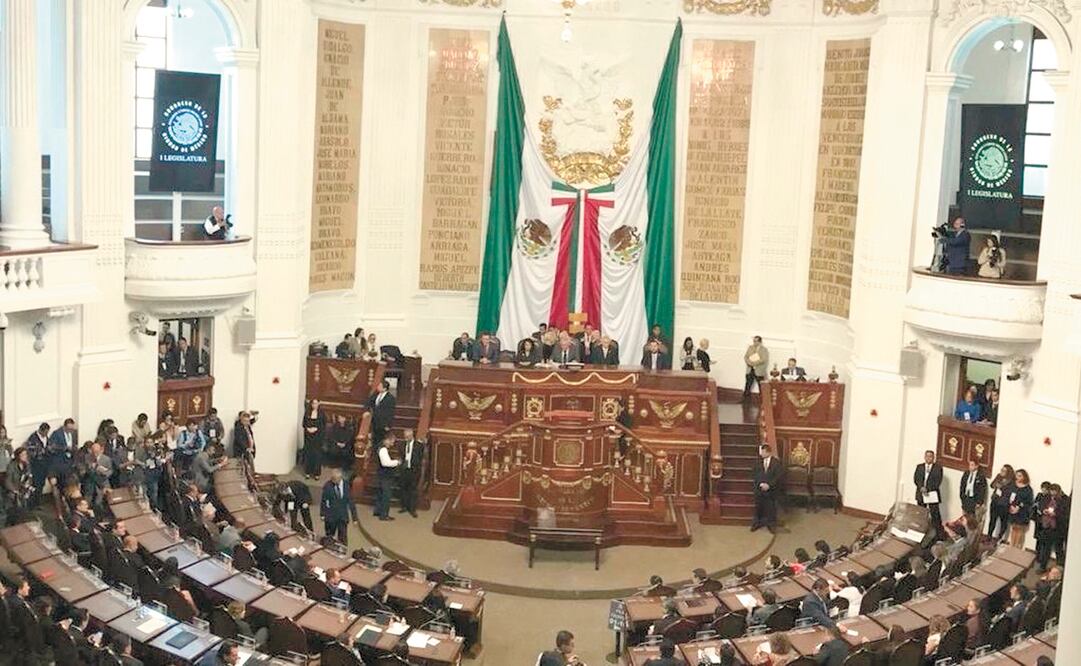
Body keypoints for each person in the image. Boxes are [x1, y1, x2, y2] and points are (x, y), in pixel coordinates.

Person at [322, 467, 360, 541]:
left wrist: (354, 518)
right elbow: (324, 501)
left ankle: (342, 551)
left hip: (342, 517)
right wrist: (322, 514)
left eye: (334, 479)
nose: (332, 480)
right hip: (331, 516)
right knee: (329, 537)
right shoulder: (327, 486)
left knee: (343, 538)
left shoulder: (346, 486)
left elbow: (351, 503)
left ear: (340, 478)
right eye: (332, 478)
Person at [751, 444, 782, 532]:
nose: (761, 454)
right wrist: (760, 484)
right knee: (758, 508)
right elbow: (754, 474)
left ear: (768, 452)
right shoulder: (758, 462)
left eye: (763, 452)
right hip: (759, 489)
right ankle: (757, 523)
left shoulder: (776, 463)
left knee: (771, 508)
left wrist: (769, 485)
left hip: (771, 490)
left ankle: (771, 525)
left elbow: (778, 476)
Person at [914, 450, 944, 537]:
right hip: (921, 494)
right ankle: (920, 532)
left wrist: (928, 489)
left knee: (935, 514)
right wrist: (921, 488)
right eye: (927, 456)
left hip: (932, 495)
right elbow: (916, 479)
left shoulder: (938, 468)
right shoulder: (919, 467)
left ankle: (938, 534)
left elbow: (938, 481)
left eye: (930, 456)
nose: (928, 458)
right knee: (921, 513)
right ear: (924, 457)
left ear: (933, 458)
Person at [397, 428, 424, 517]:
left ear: (412, 436)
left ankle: (412, 509)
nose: (405, 438)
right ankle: (404, 506)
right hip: (404, 469)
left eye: (407, 437)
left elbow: (420, 458)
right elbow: (400, 455)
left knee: (413, 490)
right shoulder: (401, 444)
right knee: (403, 488)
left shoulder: (419, 445)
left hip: (414, 470)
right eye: (405, 436)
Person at [373, 437, 400, 521]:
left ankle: (378, 510)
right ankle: (384, 515)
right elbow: (386, 463)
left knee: (380, 493)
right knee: (386, 495)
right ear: (386, 440)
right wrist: (397, 462)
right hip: (385, 476)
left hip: (381, 475)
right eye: (392, 441)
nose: (393, 443)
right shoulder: (383, 450)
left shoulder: (380, 448)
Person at [366, 380, 396, 455]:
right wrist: (367, 411)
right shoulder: (376, 394)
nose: (377, 387)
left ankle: (381, 455)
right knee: (375, 440)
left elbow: (390, 413)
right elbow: (369, 402)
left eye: (379, 386)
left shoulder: (390, 398)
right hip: (375, 422)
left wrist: (388, 425)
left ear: (385, 388)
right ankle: (375, 454)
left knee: (381, 441)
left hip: (383, 424)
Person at [988, 464, 1016, 541]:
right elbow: (992, 485)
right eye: (1001, 470)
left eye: (1004, 471)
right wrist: (996, 484)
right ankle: (989, 536)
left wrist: (1002, 487)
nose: (1001, 472)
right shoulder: (998, 476)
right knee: (992, 520)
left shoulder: (1012, 481)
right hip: (995, 501)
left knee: (1003, 522)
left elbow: (1011, 493)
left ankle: (999, 538)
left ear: (1008, 472)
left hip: (1004, 504)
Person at [1008, 469, 1034, 547]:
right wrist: (1011, 506)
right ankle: (1012, 544)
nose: (1017, 477)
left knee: (1019, 529)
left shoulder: (1028, 489)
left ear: (1024, 477)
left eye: (1019, 476)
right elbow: (1009, 496)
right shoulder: (1013, 485)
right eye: (1017, 475)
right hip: (1012, 510)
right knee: (1013, 528)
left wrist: (1019, 507)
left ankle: (1017, 546)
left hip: (1022, 512)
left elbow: (1029, 503)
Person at [302, 399, 326, 480]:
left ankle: (316, 474)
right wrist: (308, 429)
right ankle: (308, 472)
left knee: (317, 455)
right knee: (309, 454)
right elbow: (304, 423)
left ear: (319, 404)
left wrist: (316, 429)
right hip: (309, 437)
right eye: (313, 403)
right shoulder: (307, 412)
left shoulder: (322, 414)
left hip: (318, 437)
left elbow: (323, 425)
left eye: (316, 403)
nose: (314, 405)